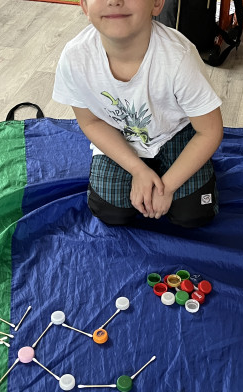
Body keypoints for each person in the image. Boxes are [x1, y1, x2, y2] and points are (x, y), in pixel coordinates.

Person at [52, 0, 223, 228]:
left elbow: (209, 131)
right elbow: (91, 122)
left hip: (176, 133)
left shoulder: (179, 57)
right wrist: (137, 169)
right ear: (84, 6)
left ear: (157, 3)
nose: (114, 1)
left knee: (193, 213)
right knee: (109, 211)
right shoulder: (74, 58)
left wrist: (167, 187)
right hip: (120, 136)